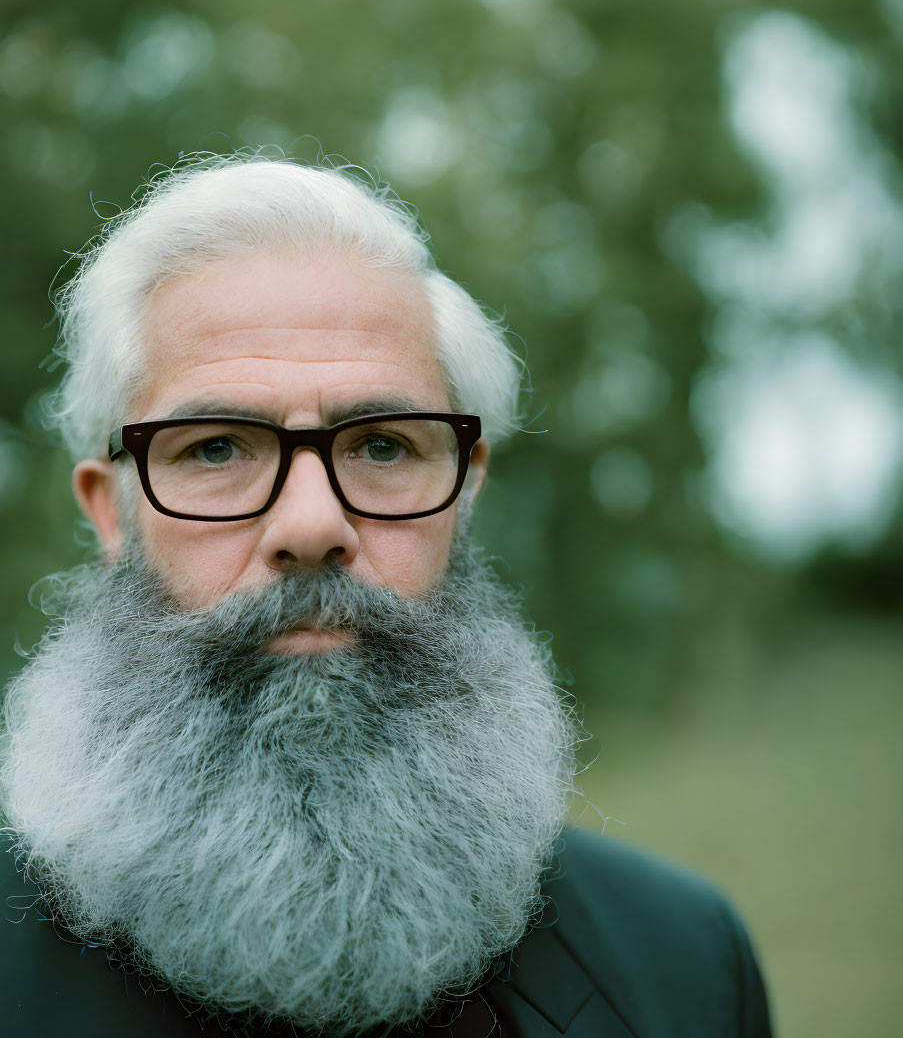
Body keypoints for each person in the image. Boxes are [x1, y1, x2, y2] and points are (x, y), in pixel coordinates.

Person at [0, 156, 773, 1038]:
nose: (311, 522)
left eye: (382, 446)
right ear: (112, 511)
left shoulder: (682, 966)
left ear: (464, 488)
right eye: (214, 448)